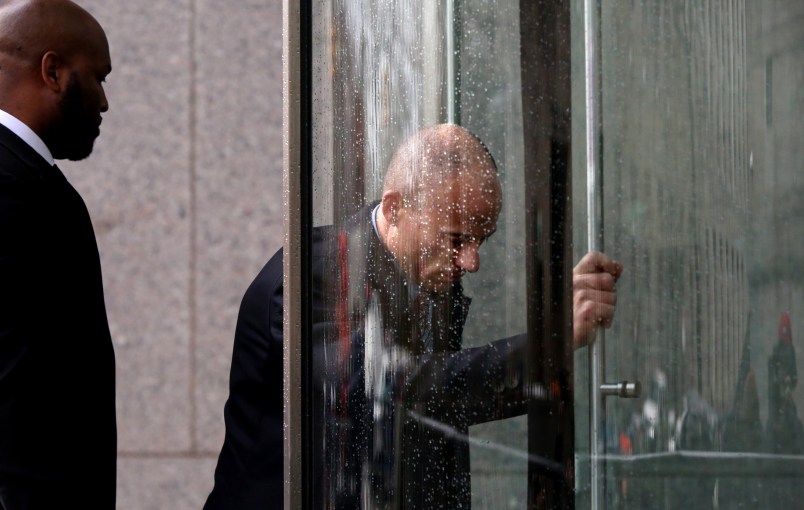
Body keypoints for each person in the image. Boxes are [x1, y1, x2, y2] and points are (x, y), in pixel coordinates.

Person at [205, 124, 621, 509]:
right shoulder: (313, 275)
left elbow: (435, 426)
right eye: (457, 239)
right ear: (396, 208)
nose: (472, 261)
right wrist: (552, 340)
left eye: (481, 239)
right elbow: (397, 391)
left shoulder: (426, 274)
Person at [0, 0, 115, 507]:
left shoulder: (30, 178)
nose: (105, 102)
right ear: (52, 71)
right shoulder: (15, 187)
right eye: (98, 77)